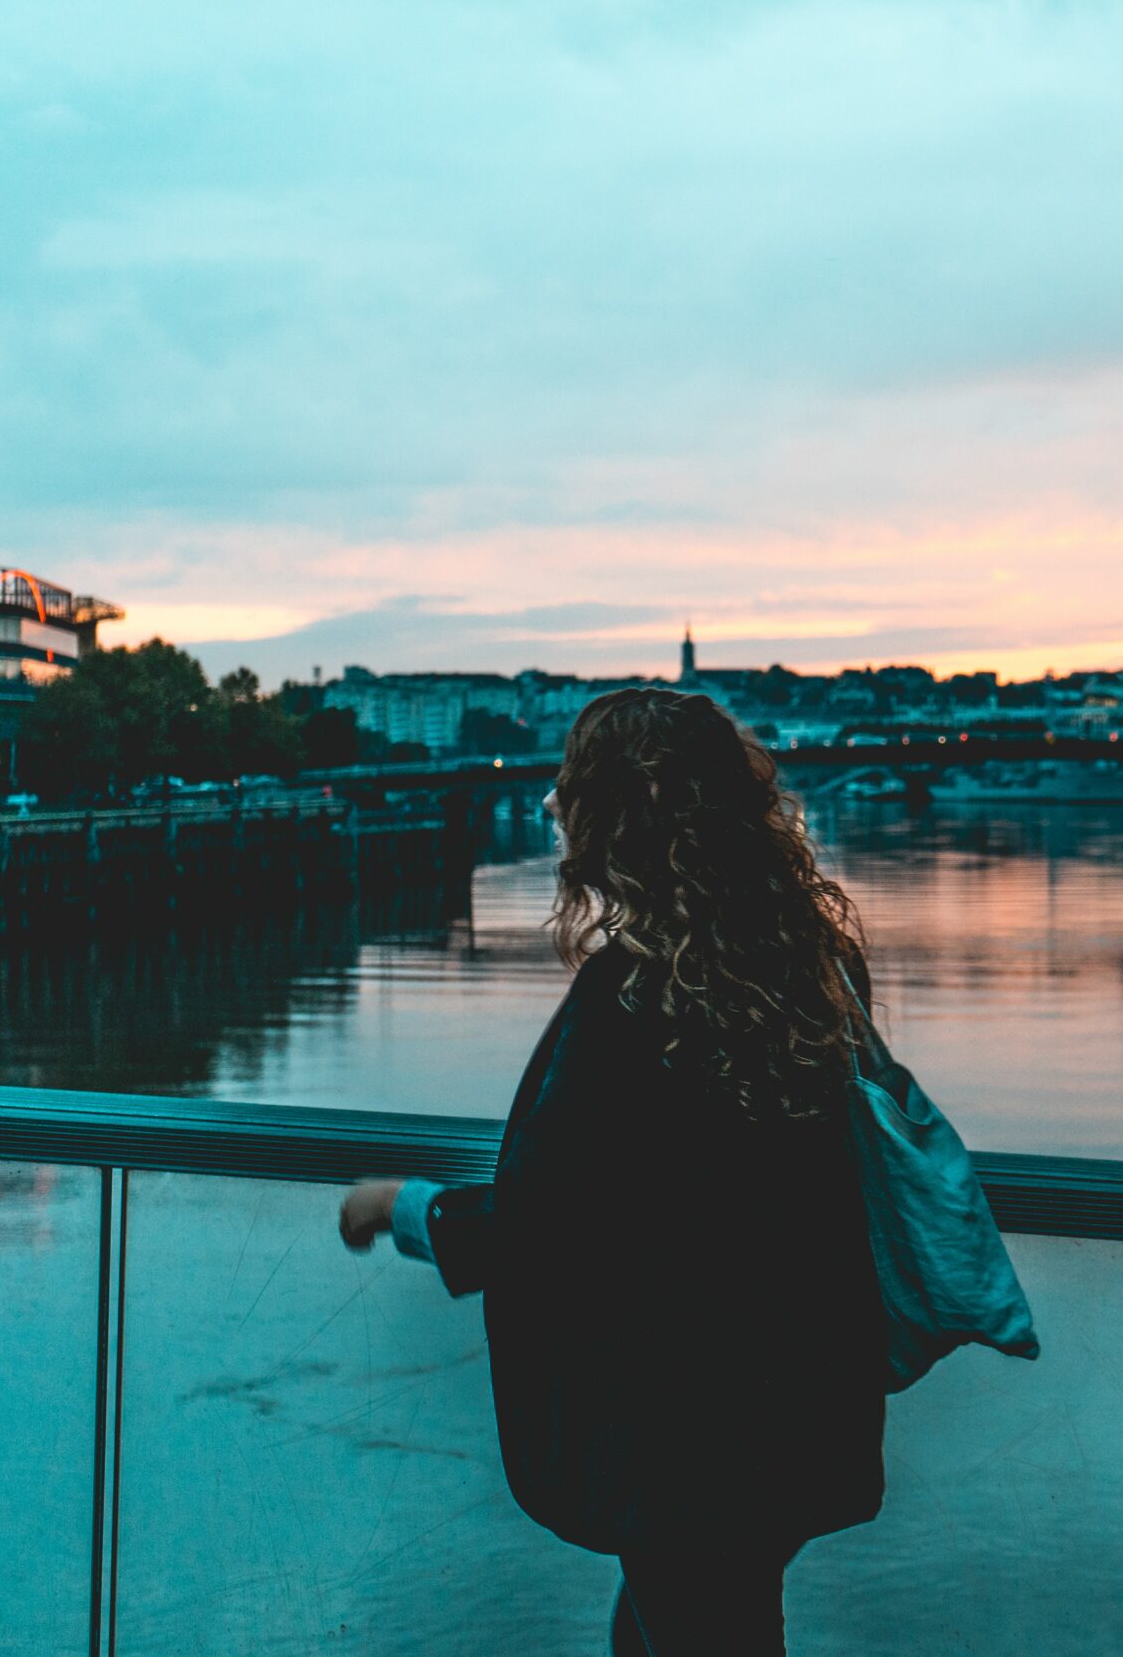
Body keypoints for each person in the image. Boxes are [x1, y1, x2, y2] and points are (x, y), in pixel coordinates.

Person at [338, 687, 887, 1657]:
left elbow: (561, 1221)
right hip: (792, 1396)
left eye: (568, 789)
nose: (552, 806)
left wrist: (404, 1207)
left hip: (683, 1429)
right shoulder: (805, 967)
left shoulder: (635, 999)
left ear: (612, 817)